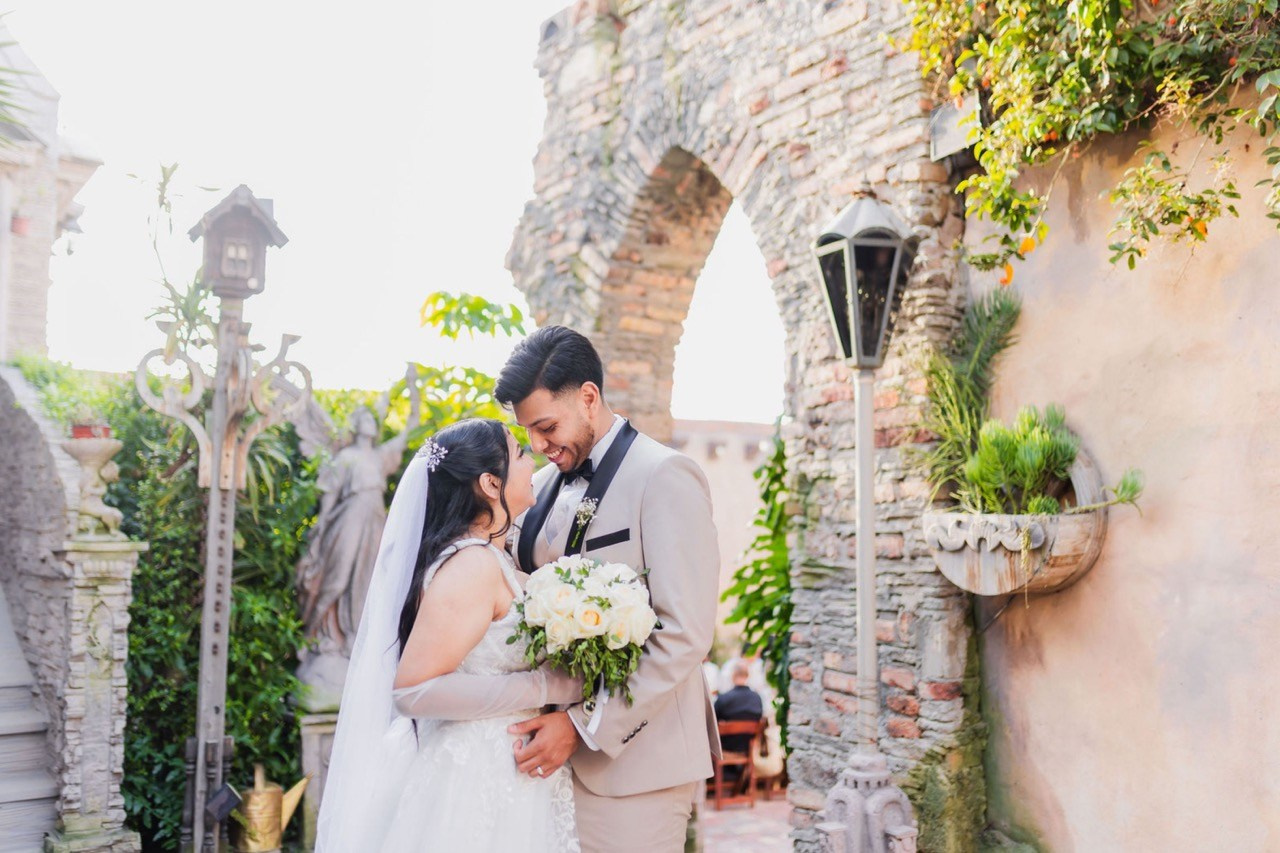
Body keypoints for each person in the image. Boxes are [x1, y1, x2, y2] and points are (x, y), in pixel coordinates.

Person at [495, 326, 722, 853]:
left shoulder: (666, 475)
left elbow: (684, 634)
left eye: (547, 426)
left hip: (636, 769)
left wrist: (580, 728)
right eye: (527, 431)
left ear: (589, 398)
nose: (538, 445)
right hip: (545, 762)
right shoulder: (545, 483)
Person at [316, 418, 584, 852]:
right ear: (490, 483)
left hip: (508, 770)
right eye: (518, 454)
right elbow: (413, 690)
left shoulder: (490, 559)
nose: (530, 458)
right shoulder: (472, 564)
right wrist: (543, 685)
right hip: (475, 775)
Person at [713, 660, 765, 774]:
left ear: (733, 676)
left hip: (726, 748)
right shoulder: (757, 699)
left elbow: (712, 722)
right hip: (748, 748)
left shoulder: (723, 699)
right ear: (747, 675)